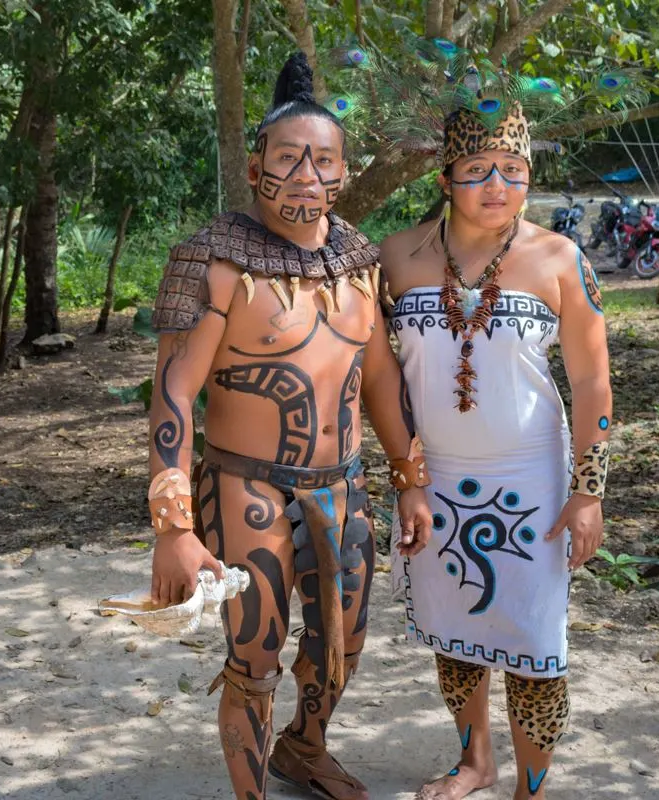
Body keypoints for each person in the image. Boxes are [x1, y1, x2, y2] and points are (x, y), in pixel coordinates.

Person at [147, 52, 431, 800]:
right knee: (256, 653)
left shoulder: (359, 264)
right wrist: (174, 524)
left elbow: (379, 381)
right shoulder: (214, 260)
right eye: (288, 157)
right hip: (250, 487)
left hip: (345, 487)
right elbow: (175, 391)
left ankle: (303, 749)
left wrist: (411, 481)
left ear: (342, 171)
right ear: (255, 167)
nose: (306, 173)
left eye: (324, 159)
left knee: (345, 645)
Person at [381, 94, 612, 798]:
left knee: (538, 648)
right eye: (478, 168)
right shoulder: (396, 258)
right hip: (435, 481)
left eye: (513, 169)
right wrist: (406, 477)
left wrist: (587, 494)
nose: (497, 186)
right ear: (446, 176)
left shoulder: (559, 259)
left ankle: (530, 788)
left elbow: (594, 387)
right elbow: (380, 382)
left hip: (534, 483)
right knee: (458, 633)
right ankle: (474, 763)